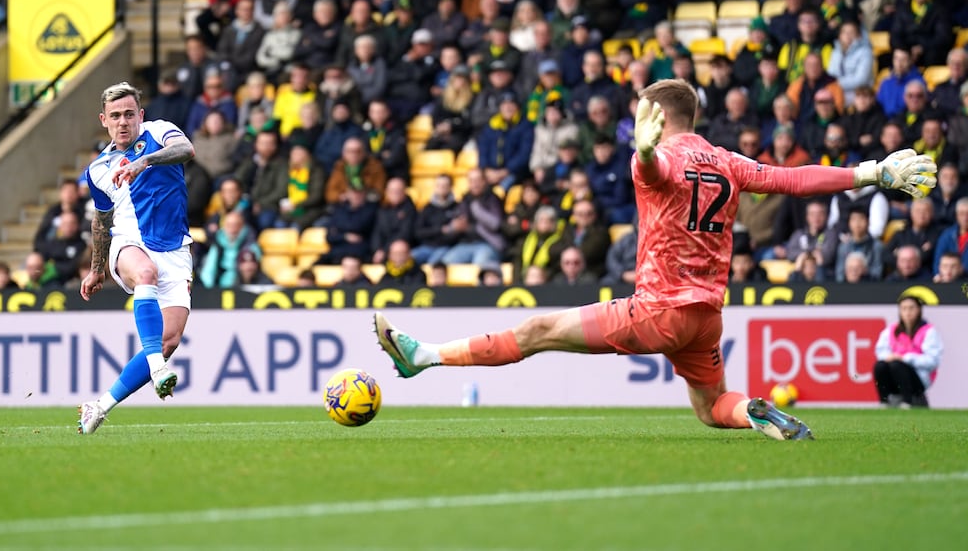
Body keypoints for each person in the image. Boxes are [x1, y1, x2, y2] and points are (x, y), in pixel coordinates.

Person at [374, 78, 937, 441]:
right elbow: (790, 179)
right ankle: (756, 412)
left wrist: (643, 152)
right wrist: (869, 173)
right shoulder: (726, 161)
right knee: (712, 406)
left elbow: (653, 173)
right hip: (706, 318)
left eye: (642, 113)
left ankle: (423, 357)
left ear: (656, 115)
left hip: (658, 310)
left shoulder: (659, 156)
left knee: (539, 328)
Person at [77, 82, 196, 435]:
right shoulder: (99, 170)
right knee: (145, 272)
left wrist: (144, 162)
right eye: (115, 116)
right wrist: (97, 269)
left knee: (169, 340)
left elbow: (186, 149)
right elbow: (102, 219)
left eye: (129, 114)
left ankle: (98, 407)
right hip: (130, 244)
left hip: (175, 249)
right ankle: (158, 370)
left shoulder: (160, 132)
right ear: (104, 120)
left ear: (140, 115)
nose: (123, 122)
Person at [873, 295, 943, 408]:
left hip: (919, 378)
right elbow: (881, 351)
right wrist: (890, 357)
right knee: (880, 366)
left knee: (897, 365)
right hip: (894, 376)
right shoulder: (892, 330)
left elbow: (932, 361)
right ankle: (884, 402)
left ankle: (907, 402)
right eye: (904, 308)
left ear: (919, 310)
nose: (908, 312)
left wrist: (905, 358)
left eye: (911, 308)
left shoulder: (928, 331)